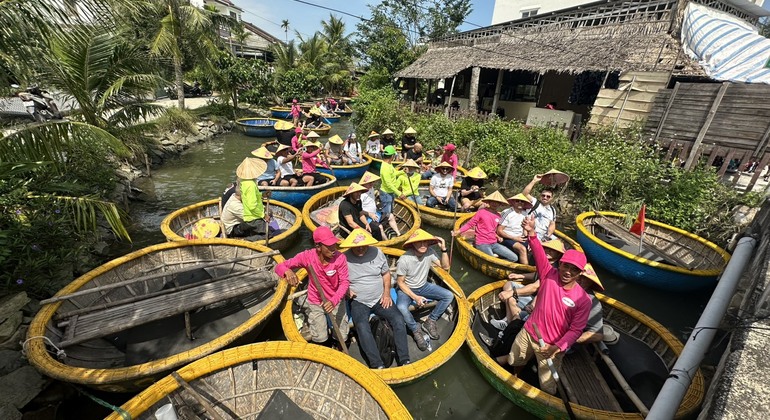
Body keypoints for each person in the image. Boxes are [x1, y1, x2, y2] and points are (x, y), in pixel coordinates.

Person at [496, 216, 591, 396]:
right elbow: (539, 254)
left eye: (574, 270)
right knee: (516, 360)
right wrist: (531, 233)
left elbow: (576, 330)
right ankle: (516, 377)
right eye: (565, 266)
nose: (568, 272)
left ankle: (547, 399)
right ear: (560, 264)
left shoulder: (583, 299)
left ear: (579, 273)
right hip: (529, 332)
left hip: (552, 345)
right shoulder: (549, 274)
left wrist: (557, 347)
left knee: (548, 385)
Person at [341, 229, 411, 367]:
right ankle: (377, 363)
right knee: (361, 326)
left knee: (398, 319)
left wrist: (386, 294)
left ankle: (404, 359)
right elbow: (340, 281)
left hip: (380, 297)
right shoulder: (343, 258)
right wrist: (347, 290)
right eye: (357, 246)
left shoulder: (377, 252)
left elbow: (386, 274)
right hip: (359, 301)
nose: (361, 248)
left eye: (364, 245)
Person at [275, 226, 350, 347]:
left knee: (342, 335)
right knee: (320, 337)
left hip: (335, 299)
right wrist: (287, 272)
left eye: (334, 245)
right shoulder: (307, 257)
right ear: (318, 247)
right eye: (329, 246)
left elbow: (345, 283)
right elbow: (279, 267)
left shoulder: (340, 258)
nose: (334, 249)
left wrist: (333, 301)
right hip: (316, 300)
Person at [490, 239, 566, 330]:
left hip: (539, 301)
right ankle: (508, 319)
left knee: (510, 298)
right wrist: (520, 275)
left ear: (558, 254)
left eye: (552, 250)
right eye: (547, 248)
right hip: (535, 296)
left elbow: (535, 286)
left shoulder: (555, 269)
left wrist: (511, 293)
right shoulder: (546, 263)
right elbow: (537, 275)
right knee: (508, 285)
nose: (547, 251)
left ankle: (510, 323)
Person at [396, 229, 453, 351]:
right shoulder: (404, 259)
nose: (423, 245)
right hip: (407, 289)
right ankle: (415, 330)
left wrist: (443, 249)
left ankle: (430, 320)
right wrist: (415, 297)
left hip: (424, 286)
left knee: (448, 295)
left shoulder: (430, 252)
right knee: (401, 307)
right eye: (419, 242)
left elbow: (446, 266)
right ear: (413, 244)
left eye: (425, 242)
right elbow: (400, 283)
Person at [452, 191, 519, 262]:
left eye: (497, 202)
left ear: (500, 204)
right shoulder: (481, 212)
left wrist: (497, 236)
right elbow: (470, 224)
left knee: (514, 258)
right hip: (482, 243)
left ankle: (496, 261)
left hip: (494, 243)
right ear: (489, 202)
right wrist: (458, 231)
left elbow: (492, 229)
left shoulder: (498, 216)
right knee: (492, 260)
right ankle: (493, 258)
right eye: (493, 201)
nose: (495, 204)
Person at [235, 157, 271, 237]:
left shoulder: (246, 182)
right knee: (268, 235)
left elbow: (253, 196)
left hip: (252, 216)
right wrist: (264, 216)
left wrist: (263, 195)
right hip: (254, 218)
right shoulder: (250, 185)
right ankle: (247, 241)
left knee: (269, 225)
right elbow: (252, 206)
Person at [497, 193, 533, 264]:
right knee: (522, 249)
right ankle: (524, 271)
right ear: (513, 202)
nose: (520, 203)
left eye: (522, 201)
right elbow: (499, 230)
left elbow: (525, 230)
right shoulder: (507, 212)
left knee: (534, 248)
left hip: (520, 237)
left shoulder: (525, 214)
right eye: (517, 201)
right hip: (506, 237)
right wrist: (514, 238)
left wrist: (530, 241)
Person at [575, 263, 605, 345]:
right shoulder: (563, 287)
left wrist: (568, 341)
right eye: (578, 275)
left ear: (590, 282)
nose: (580, 279)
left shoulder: (592, 303)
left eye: (585, 278)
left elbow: (597, 335)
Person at [523, 174, 557, 241]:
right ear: (540, 196)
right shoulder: (535, 202)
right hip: (532, 232)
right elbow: (525, 194)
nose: (545, 197)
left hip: (545, 235)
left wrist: (548, 235)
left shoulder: (552, 210)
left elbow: (552, 224)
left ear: (552, 198)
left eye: (548, 196)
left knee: (559, 244)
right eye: (543, 195)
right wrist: (534, 180)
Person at [379, 145, 404, 238]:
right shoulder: (384, 168)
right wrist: (399, 193)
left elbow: (394, 173)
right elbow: (388, 184)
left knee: (390, 211)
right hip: (386, 193)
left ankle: (390, 225)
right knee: (387, 214)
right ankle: (383, 229)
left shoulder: (389, 164)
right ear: (392, 156)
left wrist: (402, 172)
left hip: (391, 192)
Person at [358, 171, 388, 240]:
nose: (372, 184)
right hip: (366, 217)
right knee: (380, 227)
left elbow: (373, 200)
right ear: (364, 183)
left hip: (375, 212)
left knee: (390, 216)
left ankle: (398, 233)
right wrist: (370, 214)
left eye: (372, 182)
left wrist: (376, 207)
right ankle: (386, 241)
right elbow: (359, 210)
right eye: (370, 183)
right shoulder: (361, 194)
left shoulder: (371, 188)